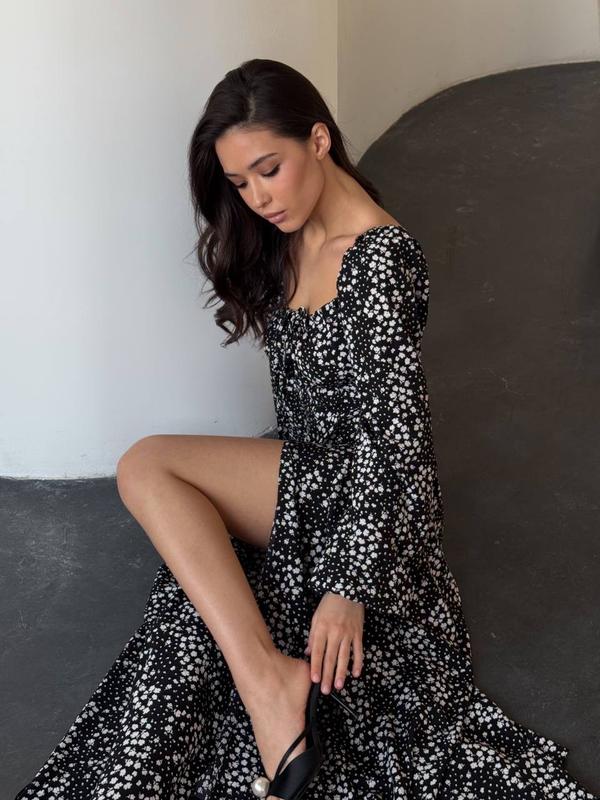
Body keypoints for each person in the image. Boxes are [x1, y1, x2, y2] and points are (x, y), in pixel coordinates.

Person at [14, 58, 597, 800]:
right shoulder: (287, 235)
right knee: (179, 559)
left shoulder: (379, 260)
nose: (259, 198)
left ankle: (267, 684)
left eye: (270, 169)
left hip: (371, 504)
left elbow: (397, 441)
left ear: (318, 139)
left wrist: (348, 586)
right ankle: (266, 676)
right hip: (311, 472)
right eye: (240, 183)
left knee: (147, 466)